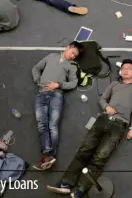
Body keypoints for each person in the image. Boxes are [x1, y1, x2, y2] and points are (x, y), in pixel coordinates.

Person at [47, 59, 132, 198]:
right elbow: (102, 99)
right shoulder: (114, 84)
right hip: (103, 119)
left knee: (100, 157)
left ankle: (81, 188)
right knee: (84, 150)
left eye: (129, 68)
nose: (125, 70)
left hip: (119, 125)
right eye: (123, 68)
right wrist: (106, 107)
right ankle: (66, 183)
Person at [31, 42, 83, 171]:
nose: (73, 56)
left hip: (57, 95)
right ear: (67, 47)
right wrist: (38, 81)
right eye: (72, 53)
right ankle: (48, 154)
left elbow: (73, 83)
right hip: (41, 93)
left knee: (52, 124)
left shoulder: (72, 66)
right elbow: (36, 68)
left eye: (75, 56)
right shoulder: (51, 56)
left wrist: (59, 85)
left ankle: (49, 155)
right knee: (41, 123)